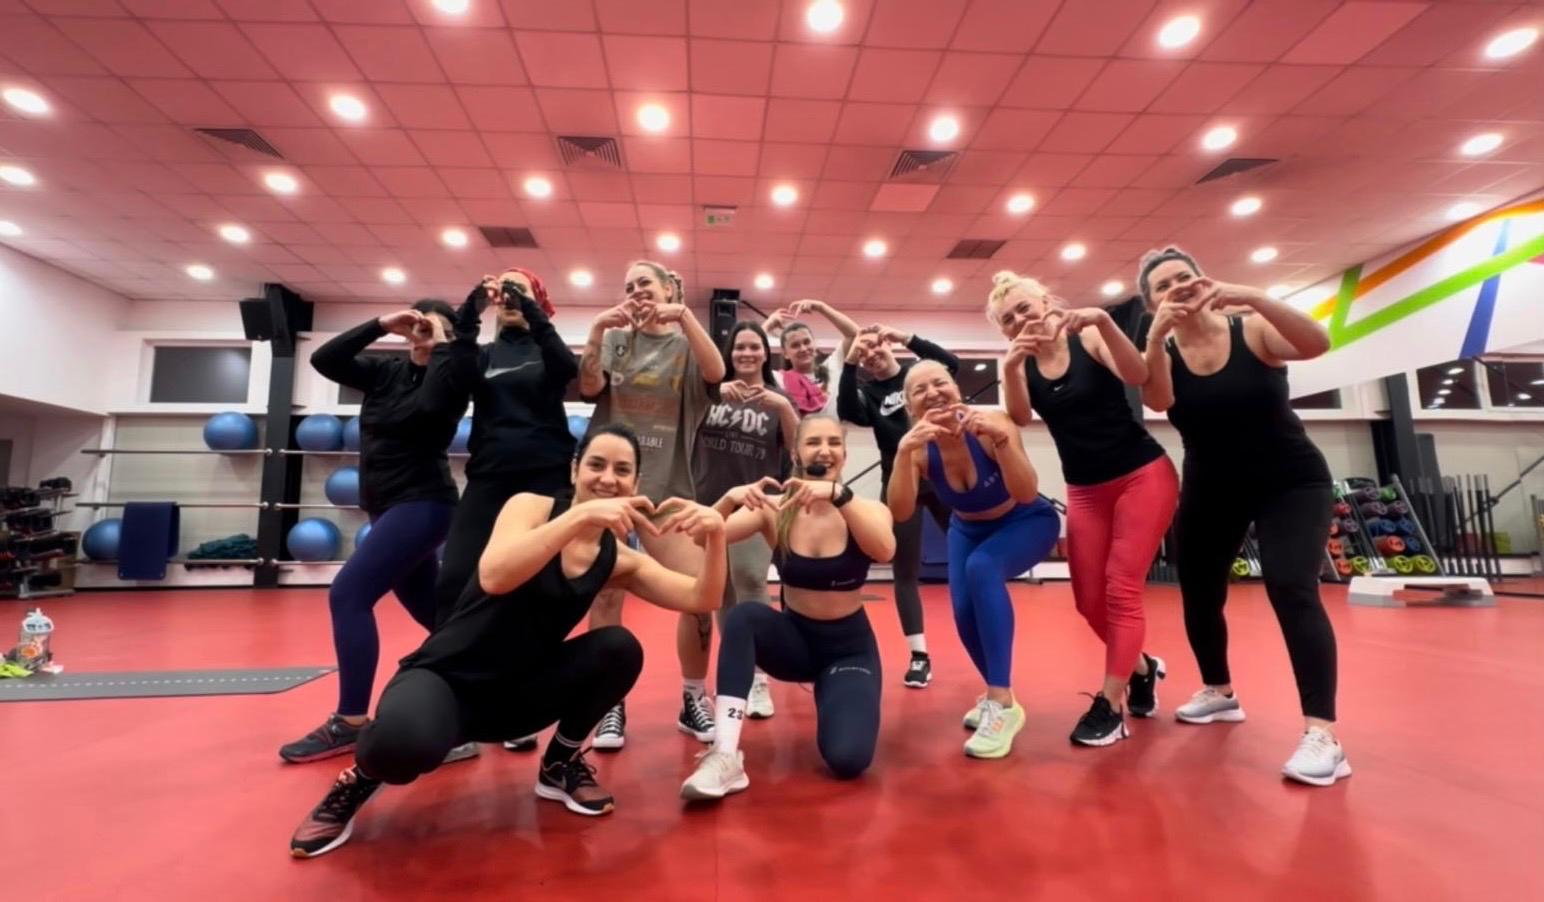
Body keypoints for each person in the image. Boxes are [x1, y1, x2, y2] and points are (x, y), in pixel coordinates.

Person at [289, 425, 727, 858]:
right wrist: (580, 516)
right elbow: (495, 575)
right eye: (596, 465)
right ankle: (359, 780)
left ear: (636, 484)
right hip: (447, 679)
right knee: (402, 744)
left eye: (622, 470)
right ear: (574, 470)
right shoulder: (529, 507)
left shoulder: (619, 560)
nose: (608, 478)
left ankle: (559, 764)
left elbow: (701, 598)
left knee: (619, 648)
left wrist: (716, 536)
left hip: (519, 696)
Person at [1137, 246, 1349, 787]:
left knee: (1291, 585)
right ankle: (1220, 691)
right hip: (1212, 487)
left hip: (1291, 480)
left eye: (1184, 276)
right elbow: (1158, 399)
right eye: (1163, 285)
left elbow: (1318, 342)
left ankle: (1323, 734)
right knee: (1198, 591)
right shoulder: (1162, 352)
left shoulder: (1251, 329)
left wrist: (1252, 295)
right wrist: (1155, 338)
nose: (1177, 287)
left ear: (1203, 279)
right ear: (1152, 303)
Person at [283, 300, 478, 765]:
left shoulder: (450, 382)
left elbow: (428, 407)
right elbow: (324, 359)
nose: (424, 334)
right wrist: (380, 325)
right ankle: (486, 704)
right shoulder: (384, 372)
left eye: (436, 329)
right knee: (437, 617)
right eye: (420, 327)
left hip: (424, 505)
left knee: (348, 594)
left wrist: (442, 346)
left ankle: (350, 722)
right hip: (384, 505)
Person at [989, 271, 1179, 747]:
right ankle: (1143, 668)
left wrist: (1103, 321)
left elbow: (1139, 376)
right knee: (1088, 601)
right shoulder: (1020, 364)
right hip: (1086, 490)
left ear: (1046, 302)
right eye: (1008, 319)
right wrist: (1010, 366)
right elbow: (1019, 418)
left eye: (1025, 307)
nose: (1020, 319)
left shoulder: (1087, 337)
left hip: (1141, 475)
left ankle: (1110, 706)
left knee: (1120, 588)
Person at [681, 415, 895, 799]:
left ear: (845, 454)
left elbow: (884, 549)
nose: (824, 450)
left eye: (834, 442)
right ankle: (725, 754)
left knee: (849, 760)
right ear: (796, 454)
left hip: (848, 651)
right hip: (794, 642)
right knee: (745, 616)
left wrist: (839, 495)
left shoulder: (867, 508)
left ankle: (836, 693)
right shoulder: (775, 508)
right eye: (813, 442)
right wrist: (728, 499)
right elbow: (701, 537)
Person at [428, 268, 577, 754]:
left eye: (522, 290)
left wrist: (528, 307)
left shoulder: (545, 348)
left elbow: (565, 369)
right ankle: (449, 703)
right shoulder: (485, 354)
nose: (510, 298)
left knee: (534, 593)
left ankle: (520, 708)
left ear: (539, 300)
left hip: (544, 480)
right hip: (490, 479)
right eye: (504, 292)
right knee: (454, 583)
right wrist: (472, 308)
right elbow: (458, 376)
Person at [579, 261, 727, 749]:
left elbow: (716, 372)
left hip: (670, 489)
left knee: (700, 595)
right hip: (611, 487)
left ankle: (692, 697)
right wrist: (597, 329)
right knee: (605, 596)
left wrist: (684, 316)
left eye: (645, 282)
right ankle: (609, 705)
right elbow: (590, 387)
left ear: (669, 289)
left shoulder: (686, 345)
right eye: (628, 286)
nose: (636, 291)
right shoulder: (615, 339)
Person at [888, 362, 1059, 759]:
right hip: (966, 530)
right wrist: (902, 453)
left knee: (982, 567)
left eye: (940, 383)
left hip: (1026, 520)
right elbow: (899, 511)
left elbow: (1027, 492)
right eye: (920, 390)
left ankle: (1000, 702)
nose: (933, 393)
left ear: (956, 388)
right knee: (964, 615)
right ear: (910, 406)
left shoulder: (992, 423)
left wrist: (1003, 442)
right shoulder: (918, 447)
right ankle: (1001, 695)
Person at [837, 322, 960, 688]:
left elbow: (950, 363)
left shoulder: (917, 376)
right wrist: (849, 363)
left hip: (943, 473)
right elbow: (848, 410)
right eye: (864, 355)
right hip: (901, 481)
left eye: (876, 347)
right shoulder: (868, 393)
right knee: (904, 571)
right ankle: (919, 656)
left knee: (971, 552)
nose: (872, 355)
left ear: (888, 345)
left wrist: (906, 337)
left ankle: (982, 633)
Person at [691, 321, 799, 719]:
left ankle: (759, 679)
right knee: (721, 593)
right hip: (711, 502)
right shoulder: (710, 393)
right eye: (740, 347)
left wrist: (783, 407)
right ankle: (738, 668)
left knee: (751, 580)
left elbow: (799, 449)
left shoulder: (777, 399)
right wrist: (713, 393)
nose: (747, 353)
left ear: (766, 353)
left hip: (756, 504)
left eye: (755, 347)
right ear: (729, 352)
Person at [762, 299, 860, 419]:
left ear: (815, 344)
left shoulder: (832, 368)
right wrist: (767, 325)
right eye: (795, 345)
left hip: (835, 430)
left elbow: (854, 335)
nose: (803, 348)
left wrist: (821, 307)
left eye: (807, 342)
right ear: (785, 353)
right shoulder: (778, 379)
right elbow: (751, 354)